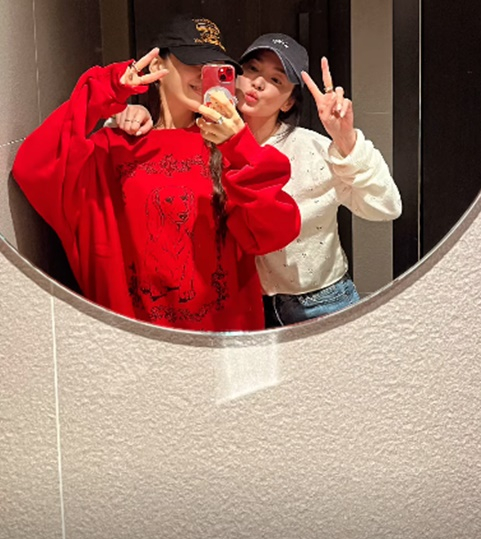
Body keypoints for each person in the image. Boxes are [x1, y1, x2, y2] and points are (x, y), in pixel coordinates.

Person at [12, 18, 300, 332]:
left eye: (213, 67)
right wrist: (110, 89)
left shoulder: (229, 150)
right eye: (193, 62)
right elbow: (34, 166)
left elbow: (275, 232)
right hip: (134, 343)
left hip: (220, 345)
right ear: (157, 64)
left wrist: (238, 145)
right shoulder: (115, 147)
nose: (203, 75)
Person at [115, 32, 402, 327]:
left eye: (276, 80)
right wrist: (128, 114)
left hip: (319, 302)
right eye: (252, 69)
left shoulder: (311, 149)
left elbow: (386, 206)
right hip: (246, 304)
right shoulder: (207, 139)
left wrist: (347, 140)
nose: (258, 83)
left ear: (288, 102)